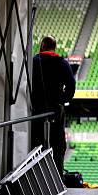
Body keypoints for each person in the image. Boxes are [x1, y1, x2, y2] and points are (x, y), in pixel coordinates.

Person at [31, 36, 75, 173]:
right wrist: (63, 99)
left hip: (36, 108)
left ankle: (37, 177)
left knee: (36, 143)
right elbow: (71, 85)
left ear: (42, 46)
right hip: (56, 107)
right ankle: (58, 177)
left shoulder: (34, 60)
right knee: (58, 143)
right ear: (54, 47)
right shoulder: (61, 62)